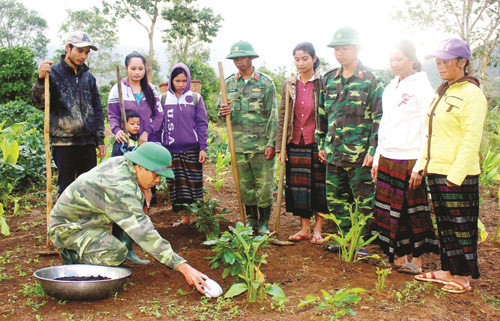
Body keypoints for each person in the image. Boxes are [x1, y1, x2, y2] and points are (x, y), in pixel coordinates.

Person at [48, 142, 211, 294]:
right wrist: (183, 266)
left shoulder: (123, 163)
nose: (158, 180)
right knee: (114, 253)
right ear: (140, 167)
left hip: (88, 222)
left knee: (130, 214)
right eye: (155, 175)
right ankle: (72, 254)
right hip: (69, 228)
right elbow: (143, 232)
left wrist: (143, 188)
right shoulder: (120, 188)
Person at [414, 38, 487, 293]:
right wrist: (422, 165)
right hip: (437, 171)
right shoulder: (442, 92)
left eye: (445, 61)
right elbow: (430, 134)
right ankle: (447, 270)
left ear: (462, 62)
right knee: (445, 225)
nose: (440, 65)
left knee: (462, 226)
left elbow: (471, 139)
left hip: (458, 175)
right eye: (438, 60)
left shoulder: (471, 94)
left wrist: (456, 175)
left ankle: (464, 277)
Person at [370, 40, 439, 273]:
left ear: (411, 59)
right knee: (390, 210)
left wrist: (421, 165)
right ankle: (399, 255)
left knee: (413, 211)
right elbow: (385, 124)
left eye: (398, 59)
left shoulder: (422, 87)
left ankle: (417, 260)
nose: (393, 64)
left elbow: (428, 129)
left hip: (410, 158)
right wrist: (378, 157)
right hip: (389, 155)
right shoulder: (390, 88)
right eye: (390, 60)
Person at [316, 27, 384, 256]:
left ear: (357, 49)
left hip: (360, 154)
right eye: (336, 49)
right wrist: (321, 144)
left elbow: (379, 116)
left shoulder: (372, 80)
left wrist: (373, 150)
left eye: (344, 48)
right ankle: (344, 238)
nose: (339, 53)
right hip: (334, 152)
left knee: (363, 200)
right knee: (336, 199)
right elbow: (322, 115)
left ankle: (360, 242)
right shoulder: (329, 79)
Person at [32, 31, 106, 196]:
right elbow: (40, 103)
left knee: (88, 187)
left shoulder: (88, 78)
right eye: (80, 51)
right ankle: (65, 221)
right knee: (66, 189)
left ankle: (85, 221)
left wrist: (99, 138)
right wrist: (39, 79)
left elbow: (97, 109)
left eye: (86, 52)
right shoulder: (53, 74)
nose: (84, 56)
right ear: (68, 48)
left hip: (87, 143)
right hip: (63, 143)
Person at [219, 40, 278, 234]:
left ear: (251, 58)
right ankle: (252, 220)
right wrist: (223, 111)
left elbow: (273, 115)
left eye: (242, 57)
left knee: (264, 187)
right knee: (245, 187)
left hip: (261, 146)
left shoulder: (265, 82)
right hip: (239, 146)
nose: (239, 62)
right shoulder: (228, 83)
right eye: (235, 58)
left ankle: (264, 223)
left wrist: (271, 143)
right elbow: (220, 112)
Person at [275, 42, 328, 244]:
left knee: (319, 185)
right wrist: (281, 145)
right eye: (297, 59)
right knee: (299, 186)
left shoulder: (323, 83)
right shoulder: (289, 85)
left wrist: (327, 143)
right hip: (295, 140)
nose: (301, 63)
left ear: (314, 59)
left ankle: (318, 230)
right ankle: (304, 228)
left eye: (305, 58)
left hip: (317, 141)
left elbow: (329, 114)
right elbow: (283, 116)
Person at [108, 51, 164, 206]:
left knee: (146, 183)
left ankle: (145, 221)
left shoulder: (151, 90)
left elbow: (160, 115)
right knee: (125, 183)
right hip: (126, 144)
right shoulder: (117, 89)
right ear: (126, 68)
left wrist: (147, 132)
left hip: (147, 144)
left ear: (145, 69)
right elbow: (112, 115)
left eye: (141, 68)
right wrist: (117, 130)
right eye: (133, 68)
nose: (137, 72)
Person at [162, 63, 208, 226]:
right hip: (170, 151)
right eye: (177, 80)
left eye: (184, 80)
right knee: (176, 187)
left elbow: (202, 123)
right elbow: (159, 124)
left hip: (192, 150)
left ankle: (194, 218)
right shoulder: (163, 99)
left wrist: (203, 147)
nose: (180, 84)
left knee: (193, 185)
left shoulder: (195, 98)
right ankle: (183, 219)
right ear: (171, 81)